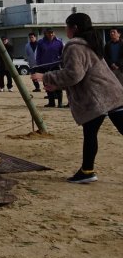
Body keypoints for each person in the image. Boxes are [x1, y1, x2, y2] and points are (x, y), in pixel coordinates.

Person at [31, 13, 123, 183]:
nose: (65, 30)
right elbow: (81, 75)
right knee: (90, 133)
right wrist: (57, 84)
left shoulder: (75, 46)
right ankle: (87, 171)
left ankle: (87, 171)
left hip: (100, 97)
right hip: (108, 94)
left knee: (91, 133)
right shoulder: (89, 43)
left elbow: (74, 75)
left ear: (74, 28)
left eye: (67, 26)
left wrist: (45, 77)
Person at [36, 28, 64, 108]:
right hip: (44, 67)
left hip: (56, 66)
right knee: (47, 84)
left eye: (52, 33)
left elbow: (62, 54)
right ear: (45, 33)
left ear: (54, 33)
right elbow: (38, 55)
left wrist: (62, 63)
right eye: (49, 33)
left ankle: (60, 103)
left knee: (57, 84)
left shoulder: (59, 42)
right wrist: (39, 65)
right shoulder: (41, 42)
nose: (50, 34)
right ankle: (51, 102)